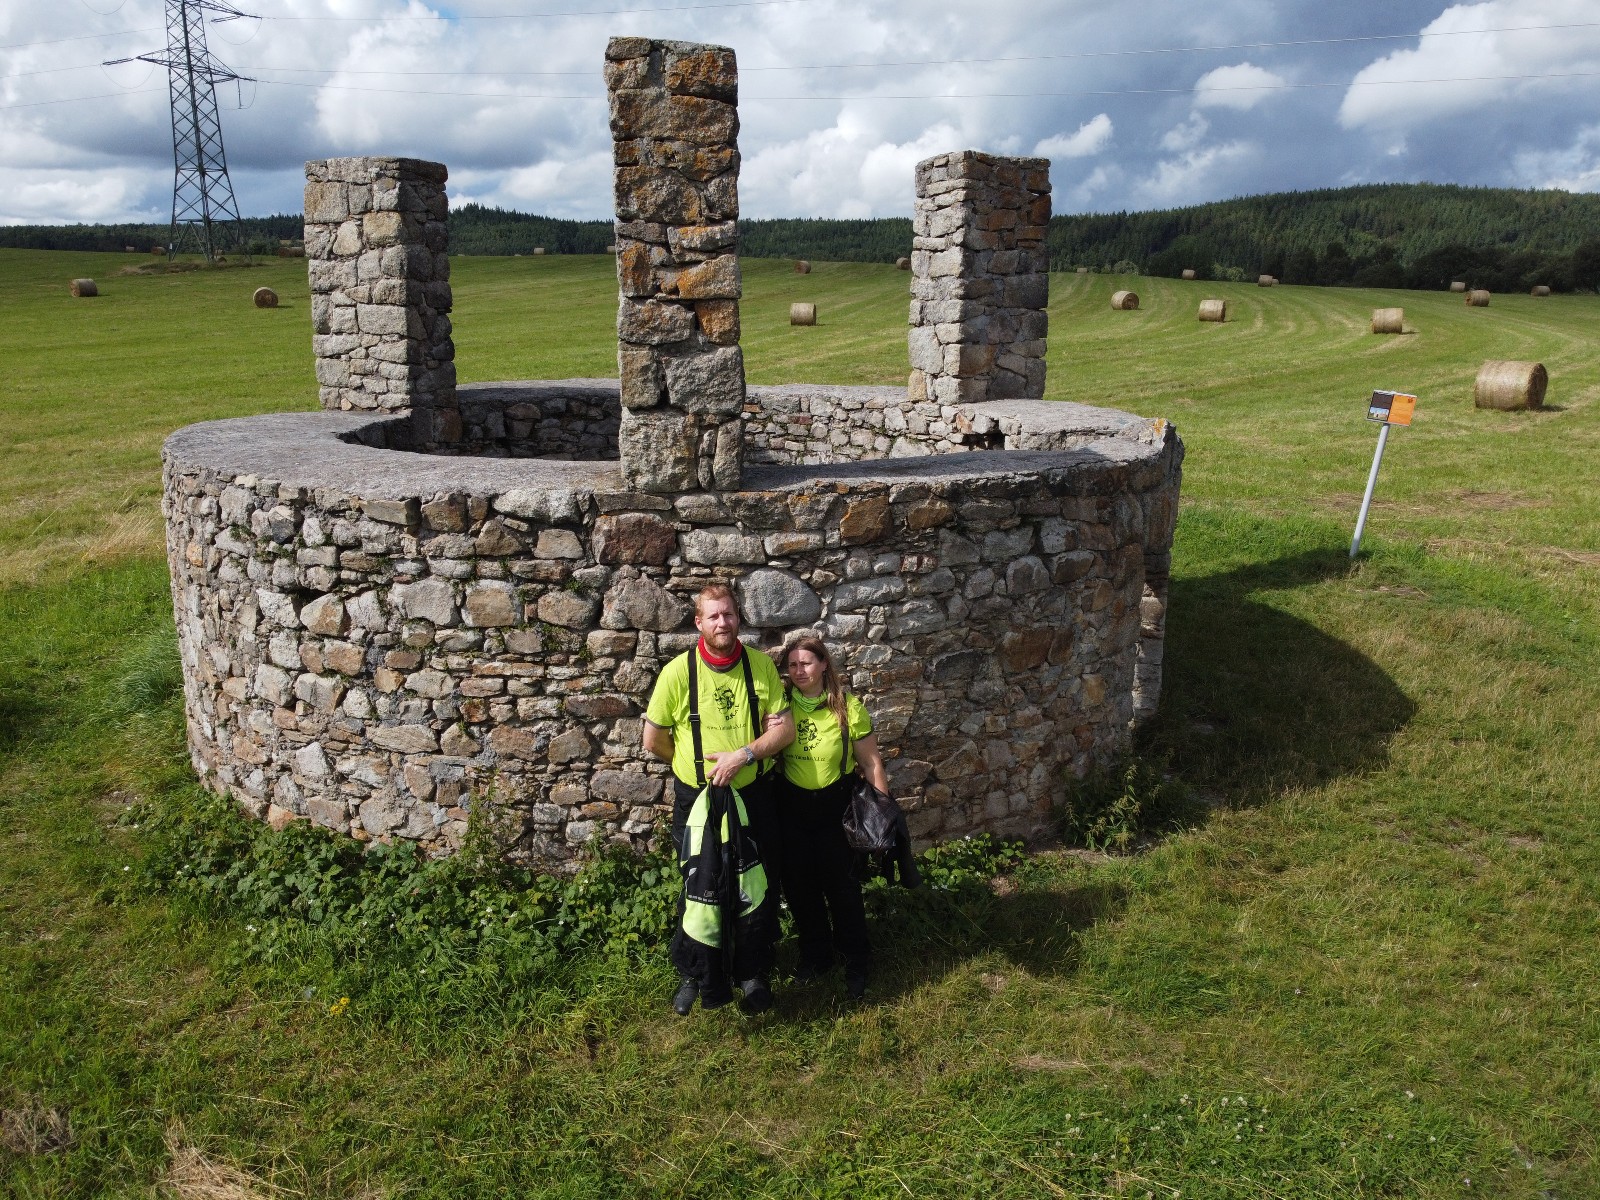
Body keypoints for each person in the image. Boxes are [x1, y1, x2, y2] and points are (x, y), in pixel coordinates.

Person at [643, 582, 794, 1016]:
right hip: (698, 800)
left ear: (738, 618)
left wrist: (743, 756)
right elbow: (653, 740)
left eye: (728, 614)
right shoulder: (677, 673)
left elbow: (784, 730)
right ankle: (696, 974)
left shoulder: (761, 667)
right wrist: (696, 770)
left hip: (753, 795)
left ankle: (753, 972)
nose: (722, 622)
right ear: (699, 622)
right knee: (699, 884)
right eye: (713, 616)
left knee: (757, 884)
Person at [776, 634, 889, 1001]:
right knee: (800, 888)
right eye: (793, 665)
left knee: (843, 888)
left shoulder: (847, 708)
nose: (799, 671)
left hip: (835, 807)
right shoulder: (780, 705)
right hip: (792, 807)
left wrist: (882, 814)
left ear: (824, 664)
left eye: (807, 663)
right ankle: (816, 956)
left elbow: (871, 763)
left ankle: (856, 960)